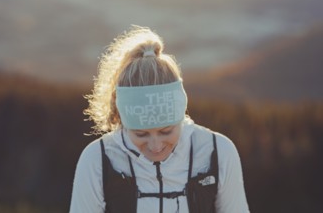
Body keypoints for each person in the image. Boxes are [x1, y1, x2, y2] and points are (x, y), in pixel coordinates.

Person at [70, 25, 250, 213]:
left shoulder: (217, 152)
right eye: (141, 134)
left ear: (181, 115)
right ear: (122, 120)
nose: (155, 146)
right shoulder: (98, 160)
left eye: (166, 131)